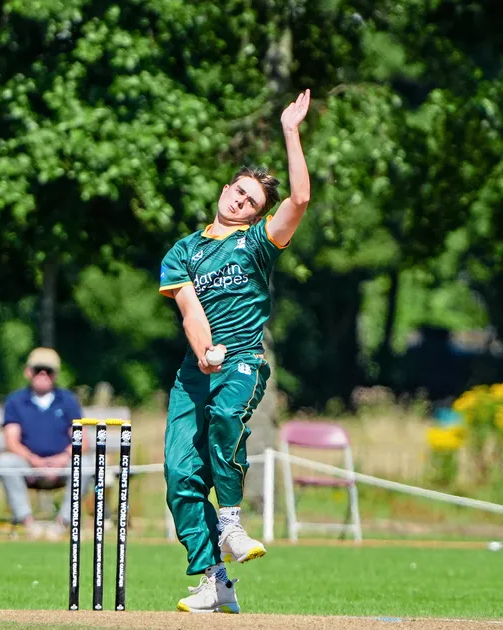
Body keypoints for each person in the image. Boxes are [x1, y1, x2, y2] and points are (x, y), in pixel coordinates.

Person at [157, 90, 312, 614]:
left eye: (252, 203)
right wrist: (203, 352)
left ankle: (230, 522)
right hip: (196, 370)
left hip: (243, 358)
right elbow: (189, 309)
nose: (242, 203)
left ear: (255, 215)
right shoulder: (184, 250)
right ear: (226, 190)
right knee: (180, 475)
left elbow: (299, 200)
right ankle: (214, 580)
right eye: (239, 193)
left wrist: (290, 130)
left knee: (227, 416)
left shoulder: (258, 243)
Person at [0, 347, 87, 540]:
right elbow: (11, 441)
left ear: (56, 374)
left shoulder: (68, 400)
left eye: (49, 371)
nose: (43, 375)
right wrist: (34, 460)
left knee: (86, 465)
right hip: (28, 464)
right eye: (38, 370)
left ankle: (62, 523)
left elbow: (82, 440)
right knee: (5, 462)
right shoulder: (15, 401)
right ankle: (28, 523)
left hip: (62, 464)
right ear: (28, 372)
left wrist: (62, 459)